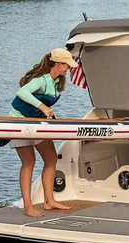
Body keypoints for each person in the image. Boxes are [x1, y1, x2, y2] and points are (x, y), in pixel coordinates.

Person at [10, 48, 78, 217]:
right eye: (67, 66)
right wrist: (43, 107)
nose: (69, 69)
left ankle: (49, 201)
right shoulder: (40, 80)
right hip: (20, 123)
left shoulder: (55, 83)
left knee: (51, 158)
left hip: (37, 123)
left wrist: (49, 113)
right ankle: (27, 206)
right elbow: (22, 92)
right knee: (29, 163)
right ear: (59, 64)